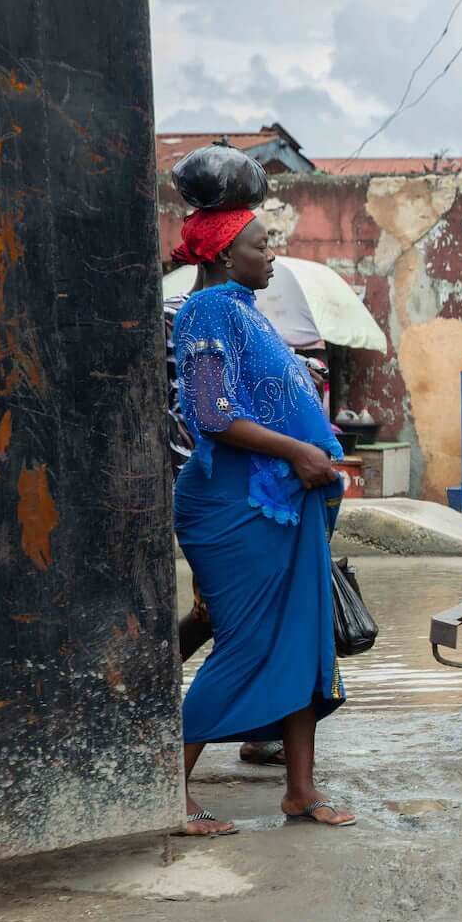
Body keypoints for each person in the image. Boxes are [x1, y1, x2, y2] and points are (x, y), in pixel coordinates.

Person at [170, 205, 358, 834]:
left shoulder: (243, 310)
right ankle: (167, 788)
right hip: (236, 507)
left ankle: (300, 792)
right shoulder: (207, 311)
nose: (271, 254)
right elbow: (213, 412)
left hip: (284, 507)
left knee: (303, 642)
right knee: (245, 645)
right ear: (225, 255)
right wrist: (301, 451)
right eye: (261, 244)